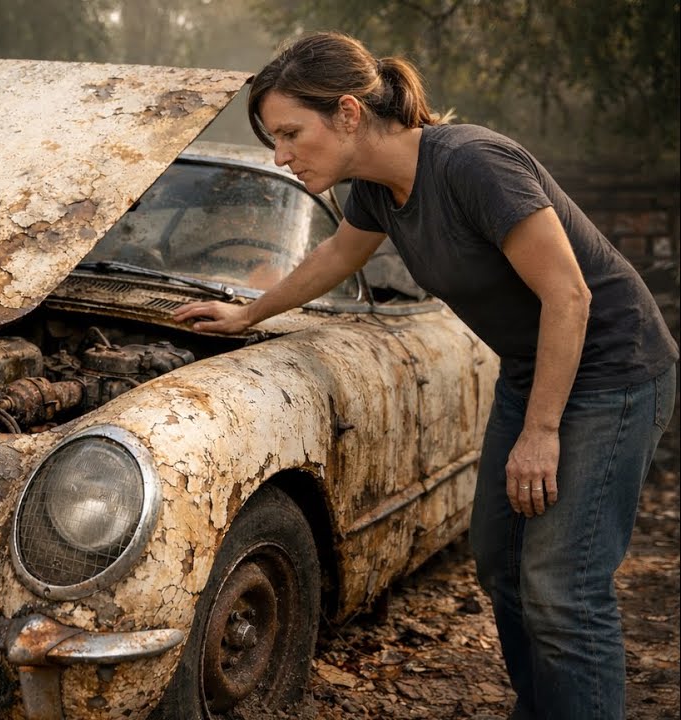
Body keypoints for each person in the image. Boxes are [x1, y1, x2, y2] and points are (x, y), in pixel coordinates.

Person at [172, 31, 678, 720]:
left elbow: (571, 296)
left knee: (563, 586)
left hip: (615, 369)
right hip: (538, 369)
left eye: (290, 133)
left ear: (348, 113)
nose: (281, 155)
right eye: (272, 140)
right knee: (501, 563)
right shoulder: (380, 193)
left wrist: (542, 431)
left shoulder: (472, 164)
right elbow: (334, 258)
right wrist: (246, 314)